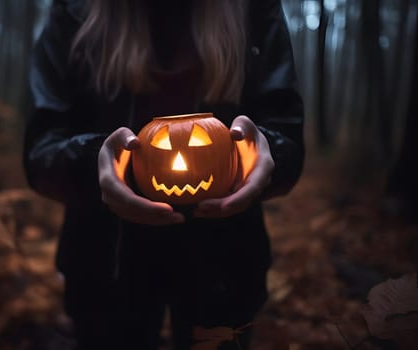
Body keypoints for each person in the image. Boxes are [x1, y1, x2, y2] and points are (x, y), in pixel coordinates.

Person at [23, 0, 304, 348]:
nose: (182, 164)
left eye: (196, 146)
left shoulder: (254, 8)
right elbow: (40, 148)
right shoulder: (75, 10)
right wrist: (92, 162)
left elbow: (287, 134)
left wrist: (265, 152)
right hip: (103, 266)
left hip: (225, 267)